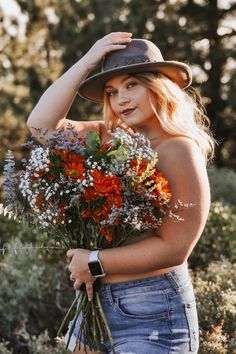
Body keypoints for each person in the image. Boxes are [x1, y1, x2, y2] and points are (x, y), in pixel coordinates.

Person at [27, 32, 215, 354]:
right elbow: (41, 126)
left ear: (158, 85)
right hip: (93, 306)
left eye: (131, 85)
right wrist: (87, 63)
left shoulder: (178, 148)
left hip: (153, 311)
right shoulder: (108, 139)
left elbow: (175, 248)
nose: (121, 100)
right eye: (111, 92)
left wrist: (95, 262)